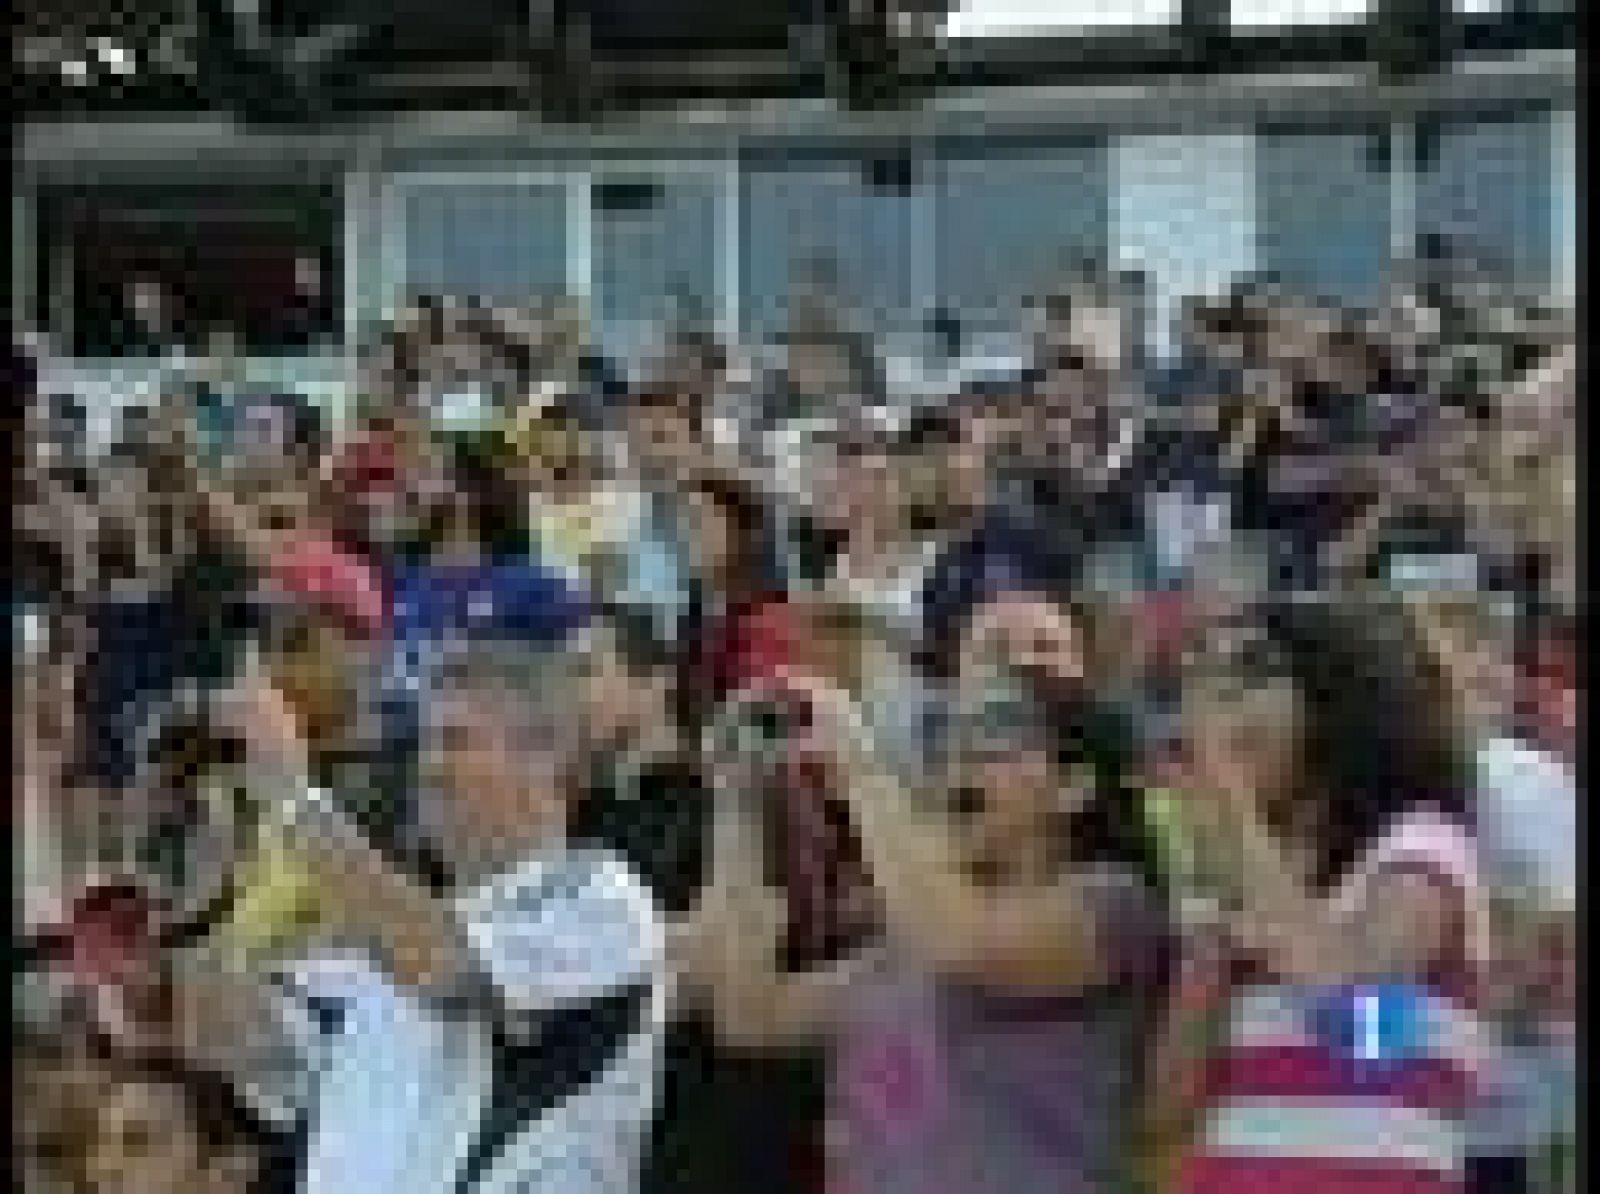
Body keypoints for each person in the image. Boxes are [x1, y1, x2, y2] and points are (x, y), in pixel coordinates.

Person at [153, 631, 667, 1194]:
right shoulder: (379, 946)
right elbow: (221, 1034)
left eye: (456, 740)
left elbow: (440, 969)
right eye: (425, 743)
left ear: (545, 759)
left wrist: (293, 796)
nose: (429, 766)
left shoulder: (603, 898)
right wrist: (213, 849)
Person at [690, 617, 1167, 1194]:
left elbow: (961, 946)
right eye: (949, 743)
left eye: (992, 742)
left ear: (1074, 789)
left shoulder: (1115, 901)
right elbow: (750, 1016)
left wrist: (858, 760)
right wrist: (734, 801)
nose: (959, 766)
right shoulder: (912, 935)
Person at [1157, 596, 1490, 1194]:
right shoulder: (1249, 879)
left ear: (1334, 699)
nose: (1217, 701)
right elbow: (1171, 1101)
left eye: (1252, 672)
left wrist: (1234, 812)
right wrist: (1216, 900)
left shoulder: (1423, 844)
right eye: (1207, 678)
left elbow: (1366, 1034)